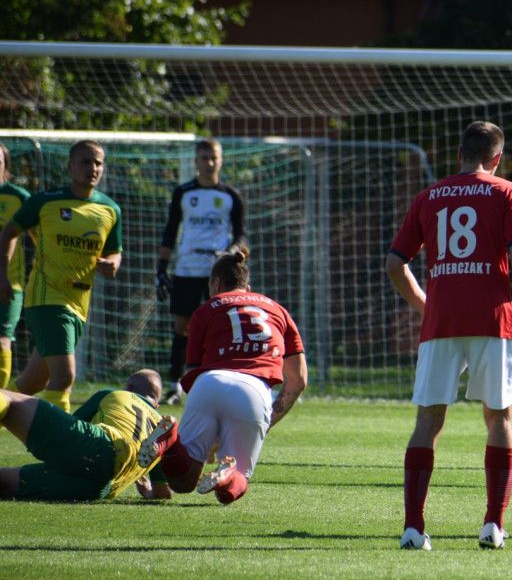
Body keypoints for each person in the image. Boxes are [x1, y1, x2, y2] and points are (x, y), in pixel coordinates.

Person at [386, 120, 512, 551]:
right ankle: (493, 525)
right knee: (499, 418)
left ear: (459, 155)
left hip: (443, 321)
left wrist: (426, 304)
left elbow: (395, 264)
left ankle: (413, 528)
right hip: (494, 318)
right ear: (497, 159)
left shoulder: (429, 196)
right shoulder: (507, 191)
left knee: (428, 420)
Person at [137, 249, 306, 505]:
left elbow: (192, 374)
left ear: (216, 283)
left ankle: (169, 440)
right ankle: (227, 474)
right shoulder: (279, 311)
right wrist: (268, 420)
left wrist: (208, 432)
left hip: (209, 382)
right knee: (235, 485)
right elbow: (298, 379)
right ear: (247, 287)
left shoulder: (205, 310)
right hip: (254, 389)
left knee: (182, 482)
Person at [0, 140, 122, 412]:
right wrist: (3, 275)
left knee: (33, 382)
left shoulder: (110, 210)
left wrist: (112, 263)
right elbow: (8, 232)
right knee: (64, 376)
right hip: (46, 298)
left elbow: (115, 252)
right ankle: (60, 437)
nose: (93, 168)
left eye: (98, 163)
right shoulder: (44, 202)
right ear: (70, 166)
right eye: (85, 162)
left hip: (79, 303)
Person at [157, 138, 247, 404]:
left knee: (221, 326)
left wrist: (229, 252)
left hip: (217, 274)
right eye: (205, 157)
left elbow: (241, 236)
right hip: (186, 269)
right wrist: (161, 270)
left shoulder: (231, 196)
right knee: (182, 328)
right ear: (196, 161)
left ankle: (221, 383)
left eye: (214, 157)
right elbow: (170, 232)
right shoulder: (183, 193)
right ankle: (175, 386)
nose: (210, 163)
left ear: (221, 160)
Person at [0, 369, 168, 501]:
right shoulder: (162, 430)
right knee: (4, 483)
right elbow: (163, 493)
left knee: (9, 399)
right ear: (156, 405)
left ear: (129, 387)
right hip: (99, 488)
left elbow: (71, 426)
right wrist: (147, 491)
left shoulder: (113, 394)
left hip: (98, 447)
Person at [0, 143, 30, 389]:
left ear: (5, 166)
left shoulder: (19, 197)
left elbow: (41, 236)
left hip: (10, 282)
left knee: (2, 341)